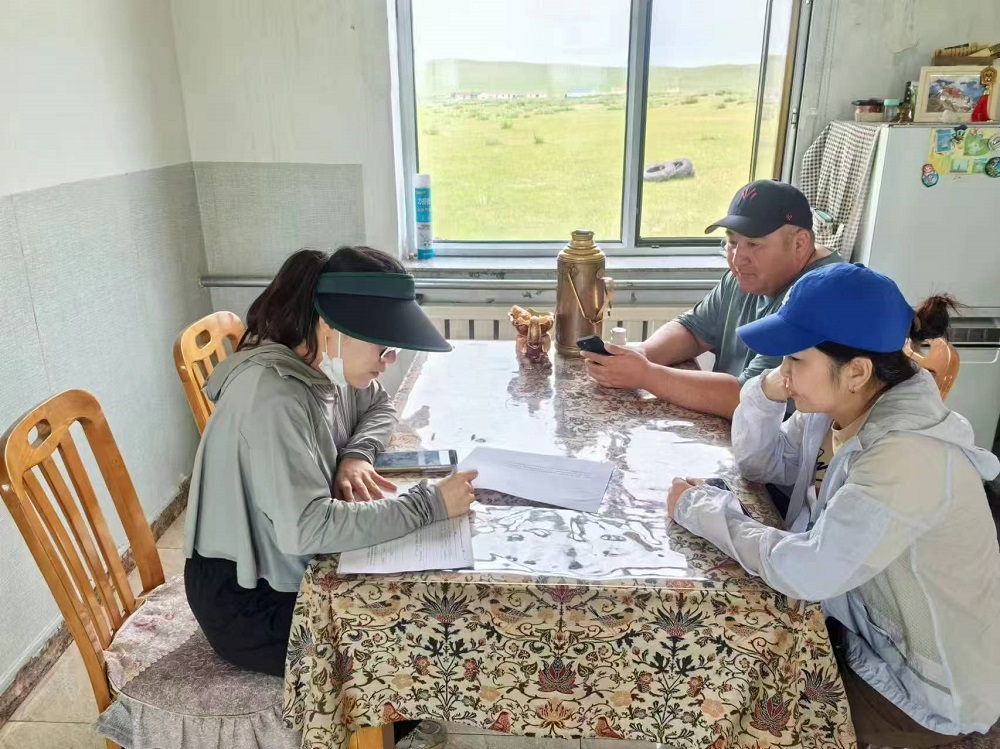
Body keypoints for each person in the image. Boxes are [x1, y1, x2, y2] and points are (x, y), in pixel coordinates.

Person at [667, 263, 1000, 747]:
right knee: (717, 672)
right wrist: (767, 389)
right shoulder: (844, 408)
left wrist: (703, 510)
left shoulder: (907, 453)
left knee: (736, 712)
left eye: (795, 358)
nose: (783, 369)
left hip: (924, 692)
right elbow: (761, 463)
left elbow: (808, 571)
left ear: (857, 371)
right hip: (857, 632)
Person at [183, 247, 477, 740]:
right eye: (383, 345)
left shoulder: (325, 365)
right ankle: (377, 736)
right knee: (403, 632)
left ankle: (395, 724)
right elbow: (309, 527)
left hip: (284, 571)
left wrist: (355, 455)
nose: (390, 359)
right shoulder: (273, 396)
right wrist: (429, 504)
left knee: (415, 603)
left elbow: (381, 406)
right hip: (247, 601)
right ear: (330, 324)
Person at [584, 179, 842, 419]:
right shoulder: (749, 273)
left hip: (781, 447)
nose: (737, 258)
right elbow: (693, 330)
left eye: (754, 244)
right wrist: (643, 353)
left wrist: (646, 375)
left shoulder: (821, 295)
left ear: (800, 243)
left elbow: (749, 399)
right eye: (732, 242)